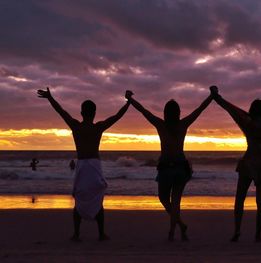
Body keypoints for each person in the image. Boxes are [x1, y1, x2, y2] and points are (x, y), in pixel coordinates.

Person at [37, 87, 130, 241]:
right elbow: (116, 116)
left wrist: (50, 98)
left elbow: (61, 112)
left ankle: (76, 234)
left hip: (82, 167)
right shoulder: (98, 127)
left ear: (81, 113)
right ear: (94, 113)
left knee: (79, 200)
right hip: (94, 167)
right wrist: (128, 103)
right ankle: (100, 234)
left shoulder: (76, 126)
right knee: (98, 200)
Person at [210, 75, 261, 242]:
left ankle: (237, 231)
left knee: (239, 199)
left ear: (252, 110)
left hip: (248, 164)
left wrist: (217, 97)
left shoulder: (247, 122)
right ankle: (258, 234)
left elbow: (231, 109)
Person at [125, 90, 213, 241]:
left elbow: (144, 111)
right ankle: (178, 226)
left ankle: (174, 230)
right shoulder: (182, 124)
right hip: (179, 168)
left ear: (165, 113)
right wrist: (211, 96)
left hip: (168, 167)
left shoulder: (161, 124)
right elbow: (200, 109)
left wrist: (130, 99)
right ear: (178, 112)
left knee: (164, 198)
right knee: (174, 200)